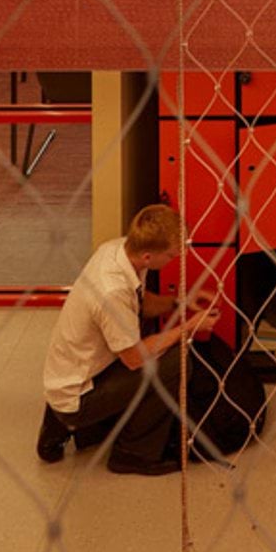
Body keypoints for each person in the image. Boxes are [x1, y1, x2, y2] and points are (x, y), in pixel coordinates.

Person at [37, 203, 219, 476]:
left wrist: (180, 302)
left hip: (76, 374)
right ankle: (134, 454)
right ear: (148, 256)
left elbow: (140, 304)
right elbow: (134, 359)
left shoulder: (118, 250)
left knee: (158, 345)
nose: (174, 259)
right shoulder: (111, 290)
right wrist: (189, 327)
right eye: (171, 255)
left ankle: (67, 424)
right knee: (174, 362)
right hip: (80, 395)